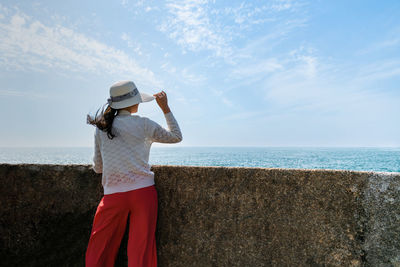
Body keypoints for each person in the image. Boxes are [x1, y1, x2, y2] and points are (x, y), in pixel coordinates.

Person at [85, 80, 182, 267]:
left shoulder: (101, 128)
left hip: (113, 196)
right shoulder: (144, 124)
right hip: (143, 194)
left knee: (99, 250)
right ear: (133, 102)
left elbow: (98, 167)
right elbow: (176, 136)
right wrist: (165, 108)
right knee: (141, 251)